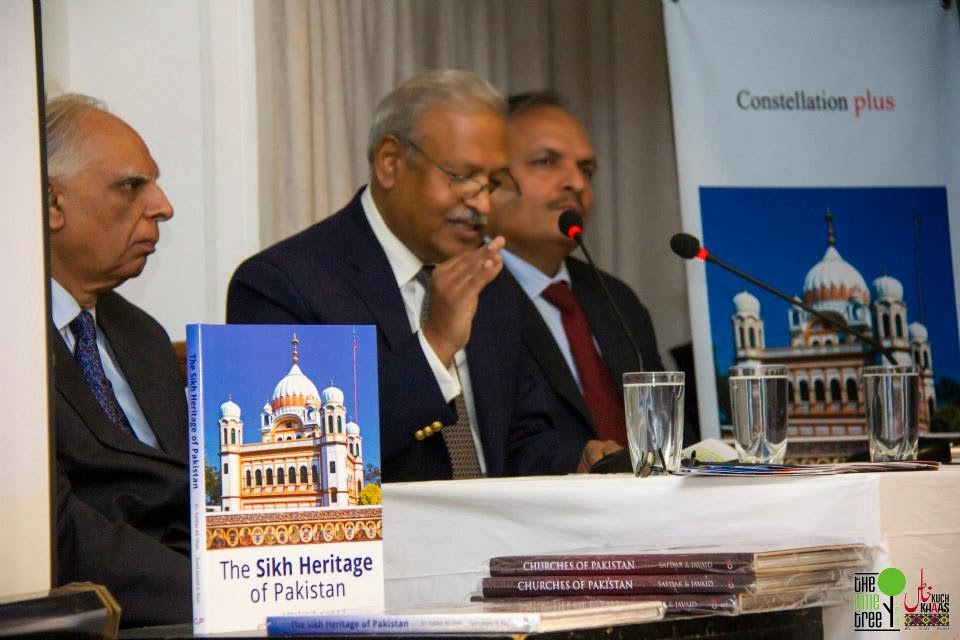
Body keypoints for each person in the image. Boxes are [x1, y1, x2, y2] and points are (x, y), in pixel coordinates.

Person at [228, 70, 610, 480]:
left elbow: (521, 438)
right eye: (463, 177)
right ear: (391, 162)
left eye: (493, 182)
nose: (481, 203)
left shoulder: (488, 279)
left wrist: (575, 461)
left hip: (498, 537)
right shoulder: (283, 284)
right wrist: (435, 344)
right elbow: (307, 461)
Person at [46, 94, 190, 626]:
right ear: (50, 204)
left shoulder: (141, 335)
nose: (163, 206)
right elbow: (59, 535)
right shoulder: (12, 348)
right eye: (132, 187)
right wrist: (215, 593)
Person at [487, 91, 664, 458]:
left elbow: (668, 429)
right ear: (488, 178)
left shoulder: (616, 300)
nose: (577, 183)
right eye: (546, 162)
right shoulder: (464, 296)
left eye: (586, 170)